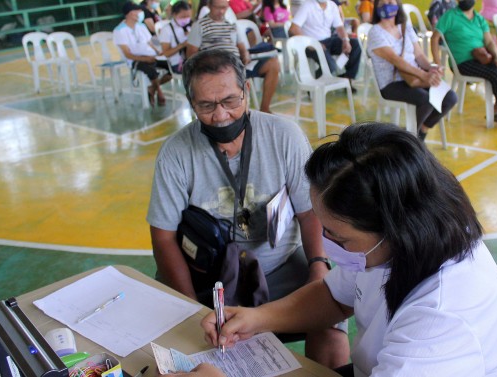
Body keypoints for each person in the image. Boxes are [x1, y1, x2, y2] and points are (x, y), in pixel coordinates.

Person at [192, 122, 497, 377]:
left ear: (395, 230)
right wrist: (257, 319)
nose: (325, 245)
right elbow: (336, 297)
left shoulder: (440, 320)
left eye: (339, 237)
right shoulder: (408, 242)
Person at [146, 49, 349, 368]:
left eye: (230, 101)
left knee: (329, 315)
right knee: (177, 339)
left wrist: (318, 266)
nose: (221, 115)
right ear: (190, 103)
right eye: (206, 105)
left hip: (278, 266)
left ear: (247, 91)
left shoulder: (285, 136)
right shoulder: (175, 154)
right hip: (208, 277)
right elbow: (163, 237)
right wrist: (192, 308)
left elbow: (310, 213)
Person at [367, 0, 457, 141]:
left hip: (416, 78)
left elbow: (419, 55)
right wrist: (424, 75)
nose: (386, 5)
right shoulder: (375, 32)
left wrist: (432, 68)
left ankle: (421, 132)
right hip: (392, 83)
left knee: (450, 98)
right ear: (376, 9)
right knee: (425, 100)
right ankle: (409, 139)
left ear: (398, 4)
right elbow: (396, 60)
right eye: (381, 4)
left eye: (390, 1)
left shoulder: (405, 26)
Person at [432, 0, 497, 129]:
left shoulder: (479, 18)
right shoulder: (450, 16)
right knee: (496, 75)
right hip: (462, 63)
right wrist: (437, 63)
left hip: (482, 58)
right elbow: (435, 38)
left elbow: (489, 42)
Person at [186, 0, 280, 113]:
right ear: (209, 6)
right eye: (218, 8)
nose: (221, 11)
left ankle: (265, 108)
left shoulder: (231, 25)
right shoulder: (199, 26)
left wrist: (245, 54)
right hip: (216, 70)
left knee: (273, 64)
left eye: (224, 8)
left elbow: (241, 47)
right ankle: (238, 113)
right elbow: (191, 54)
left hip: (237, 65)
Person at [289, 0, 362, 88]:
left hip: (328, 40)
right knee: (330, 66)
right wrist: (313, 43)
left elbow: (339, 26)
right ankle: (311, 85)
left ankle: (347, 78)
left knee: (355, 44)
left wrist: (345, 40)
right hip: (310, 45)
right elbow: (293, 29)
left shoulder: (332, 6)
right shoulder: (307, 6)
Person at [114, 1, 172, 107]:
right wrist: (145, 59)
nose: (141, 13)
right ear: (130, 13)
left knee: (171, 68)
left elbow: (149, 43)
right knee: (151, 70)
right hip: (135, 59)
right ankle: (159, 92)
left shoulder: (141, 26)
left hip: (150, 55)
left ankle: (152, 88)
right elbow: (127, 54)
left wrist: (159, 53)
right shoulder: (119, 31)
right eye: (138, 11)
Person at [159, 0, 192, 73]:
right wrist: (183, 44)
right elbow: (166, 53)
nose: (186, 19)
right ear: (174, 14)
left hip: (190, 60)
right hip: (177, 64)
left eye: (188, 16)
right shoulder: (166, 30)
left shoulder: (187, 27)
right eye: (183, 16)